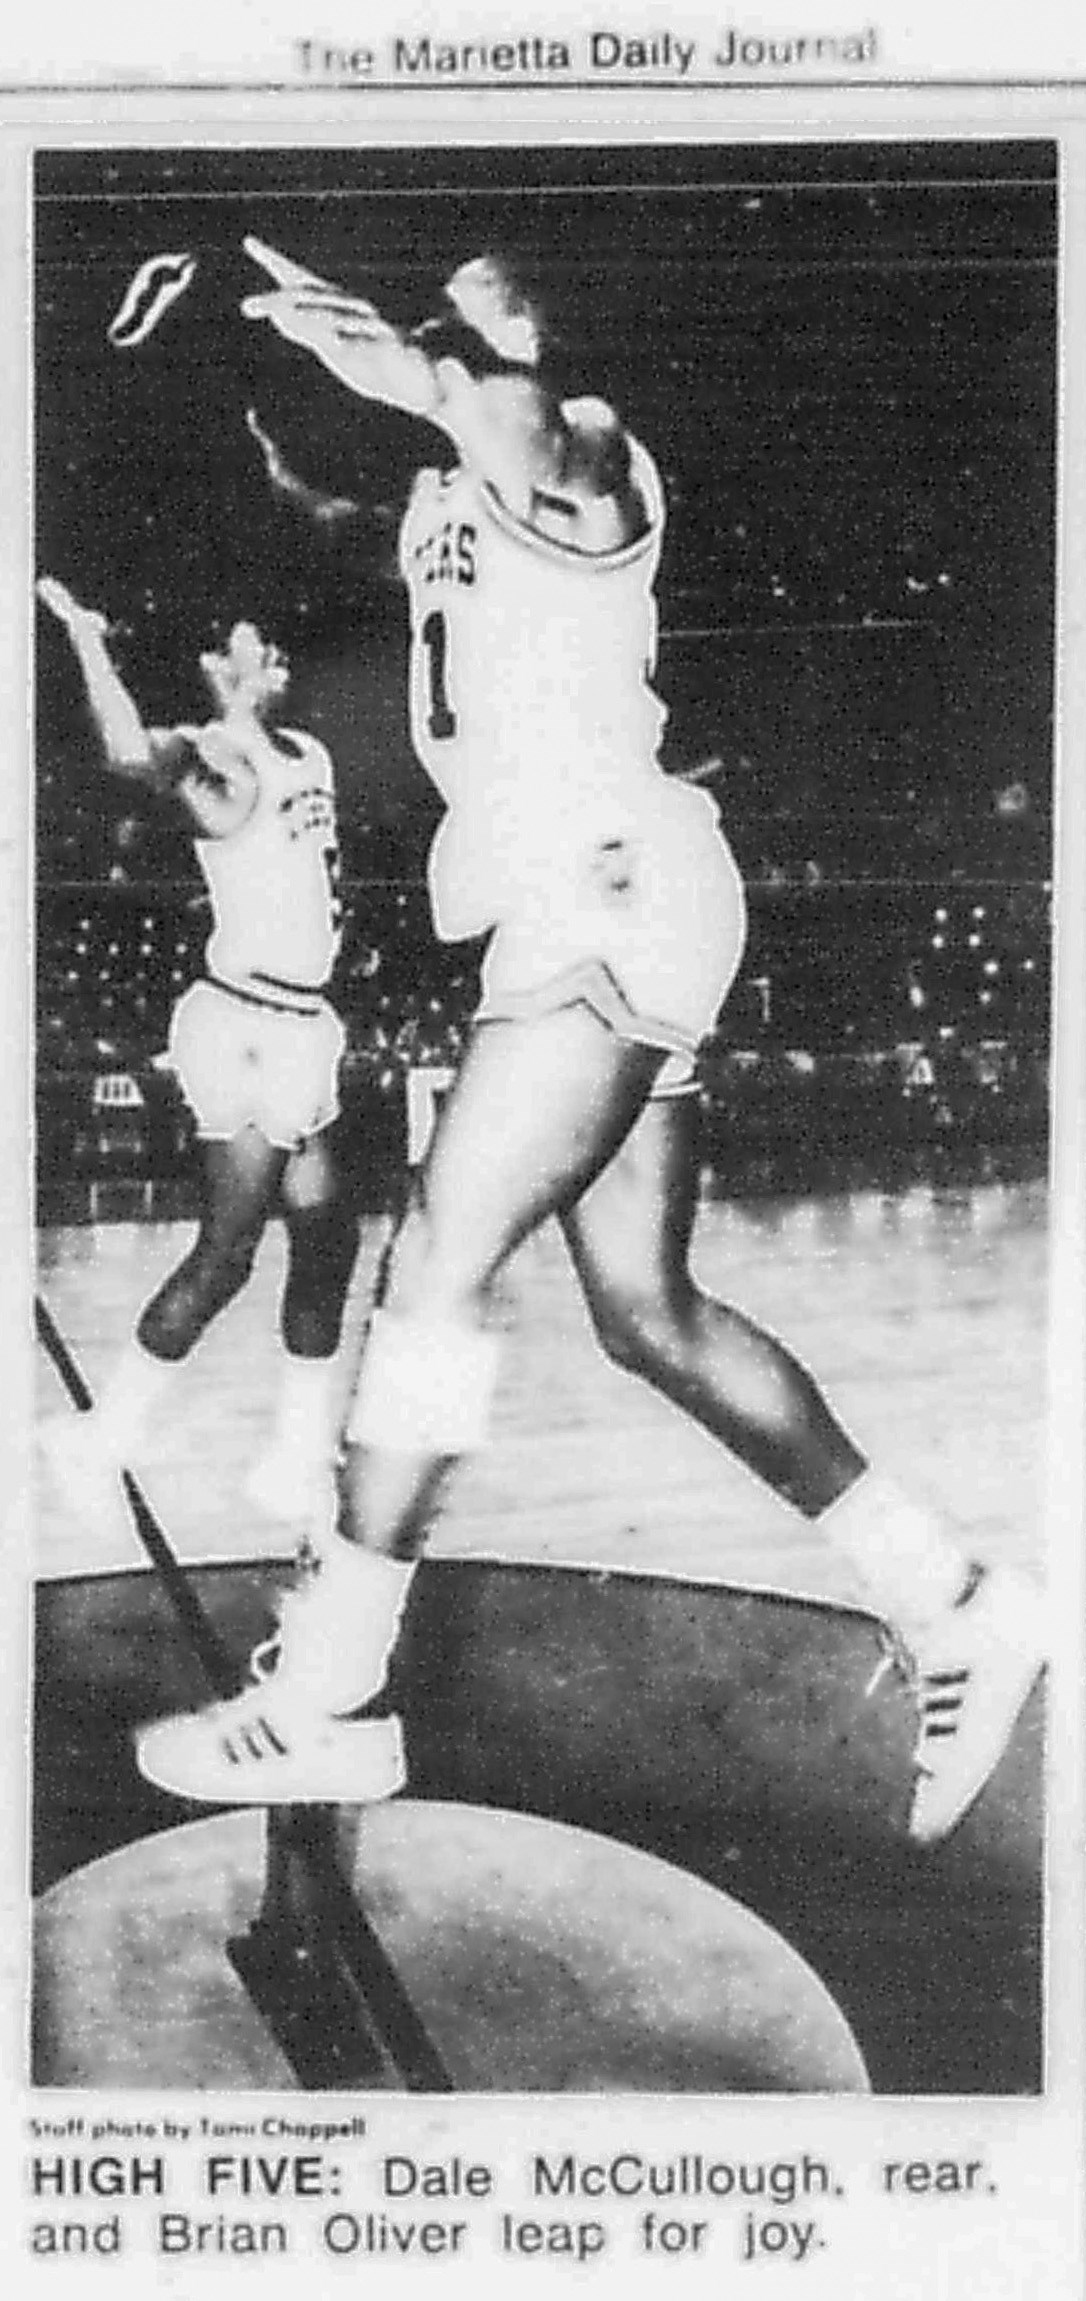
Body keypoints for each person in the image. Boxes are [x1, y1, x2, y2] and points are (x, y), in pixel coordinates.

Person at [135, 246, 1045, 1845]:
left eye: (491, 302)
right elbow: (370, 509)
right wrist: (284, 404)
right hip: (582, 909)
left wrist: (409, 358)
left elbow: (496, 422)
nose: (453, 315)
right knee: (647, 1313)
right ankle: (952, 1594)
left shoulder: (594, 462)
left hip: (607, 896)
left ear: (558, 343)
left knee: (434, 1262)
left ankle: (331, 1697)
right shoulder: (457, 494)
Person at [37, 579, 358, 1530]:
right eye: (260, 646)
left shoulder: (311, 754)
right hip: (249, 1026)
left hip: (303, 1024)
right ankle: (97, 1440)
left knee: (329, 1237)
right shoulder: (218, 760)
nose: (280, 657)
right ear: (221, 668)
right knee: (226, 1256)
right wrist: (88, 642)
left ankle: (296, 1462)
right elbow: (130, 753)